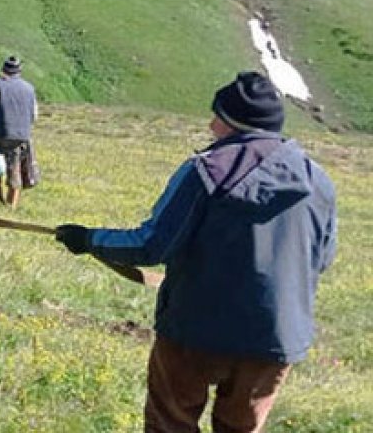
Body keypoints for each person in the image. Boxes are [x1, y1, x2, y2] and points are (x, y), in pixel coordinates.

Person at [54, 71, 338, 433]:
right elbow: (322, 258)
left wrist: (89, 240)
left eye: (217, 116)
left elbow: (151, 244)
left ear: (233, 123)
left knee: (171, 423)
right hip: (274, 338)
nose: (210, 124)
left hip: (195, 328)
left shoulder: (205, 171)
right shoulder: (319, 181)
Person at [0, 56, 37, 208]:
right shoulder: (29, 88)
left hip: (1, 132)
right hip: (21, 134)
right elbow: (34, 115)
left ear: (4, 70)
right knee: (14, 167)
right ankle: (12, 203)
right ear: (19, 71)